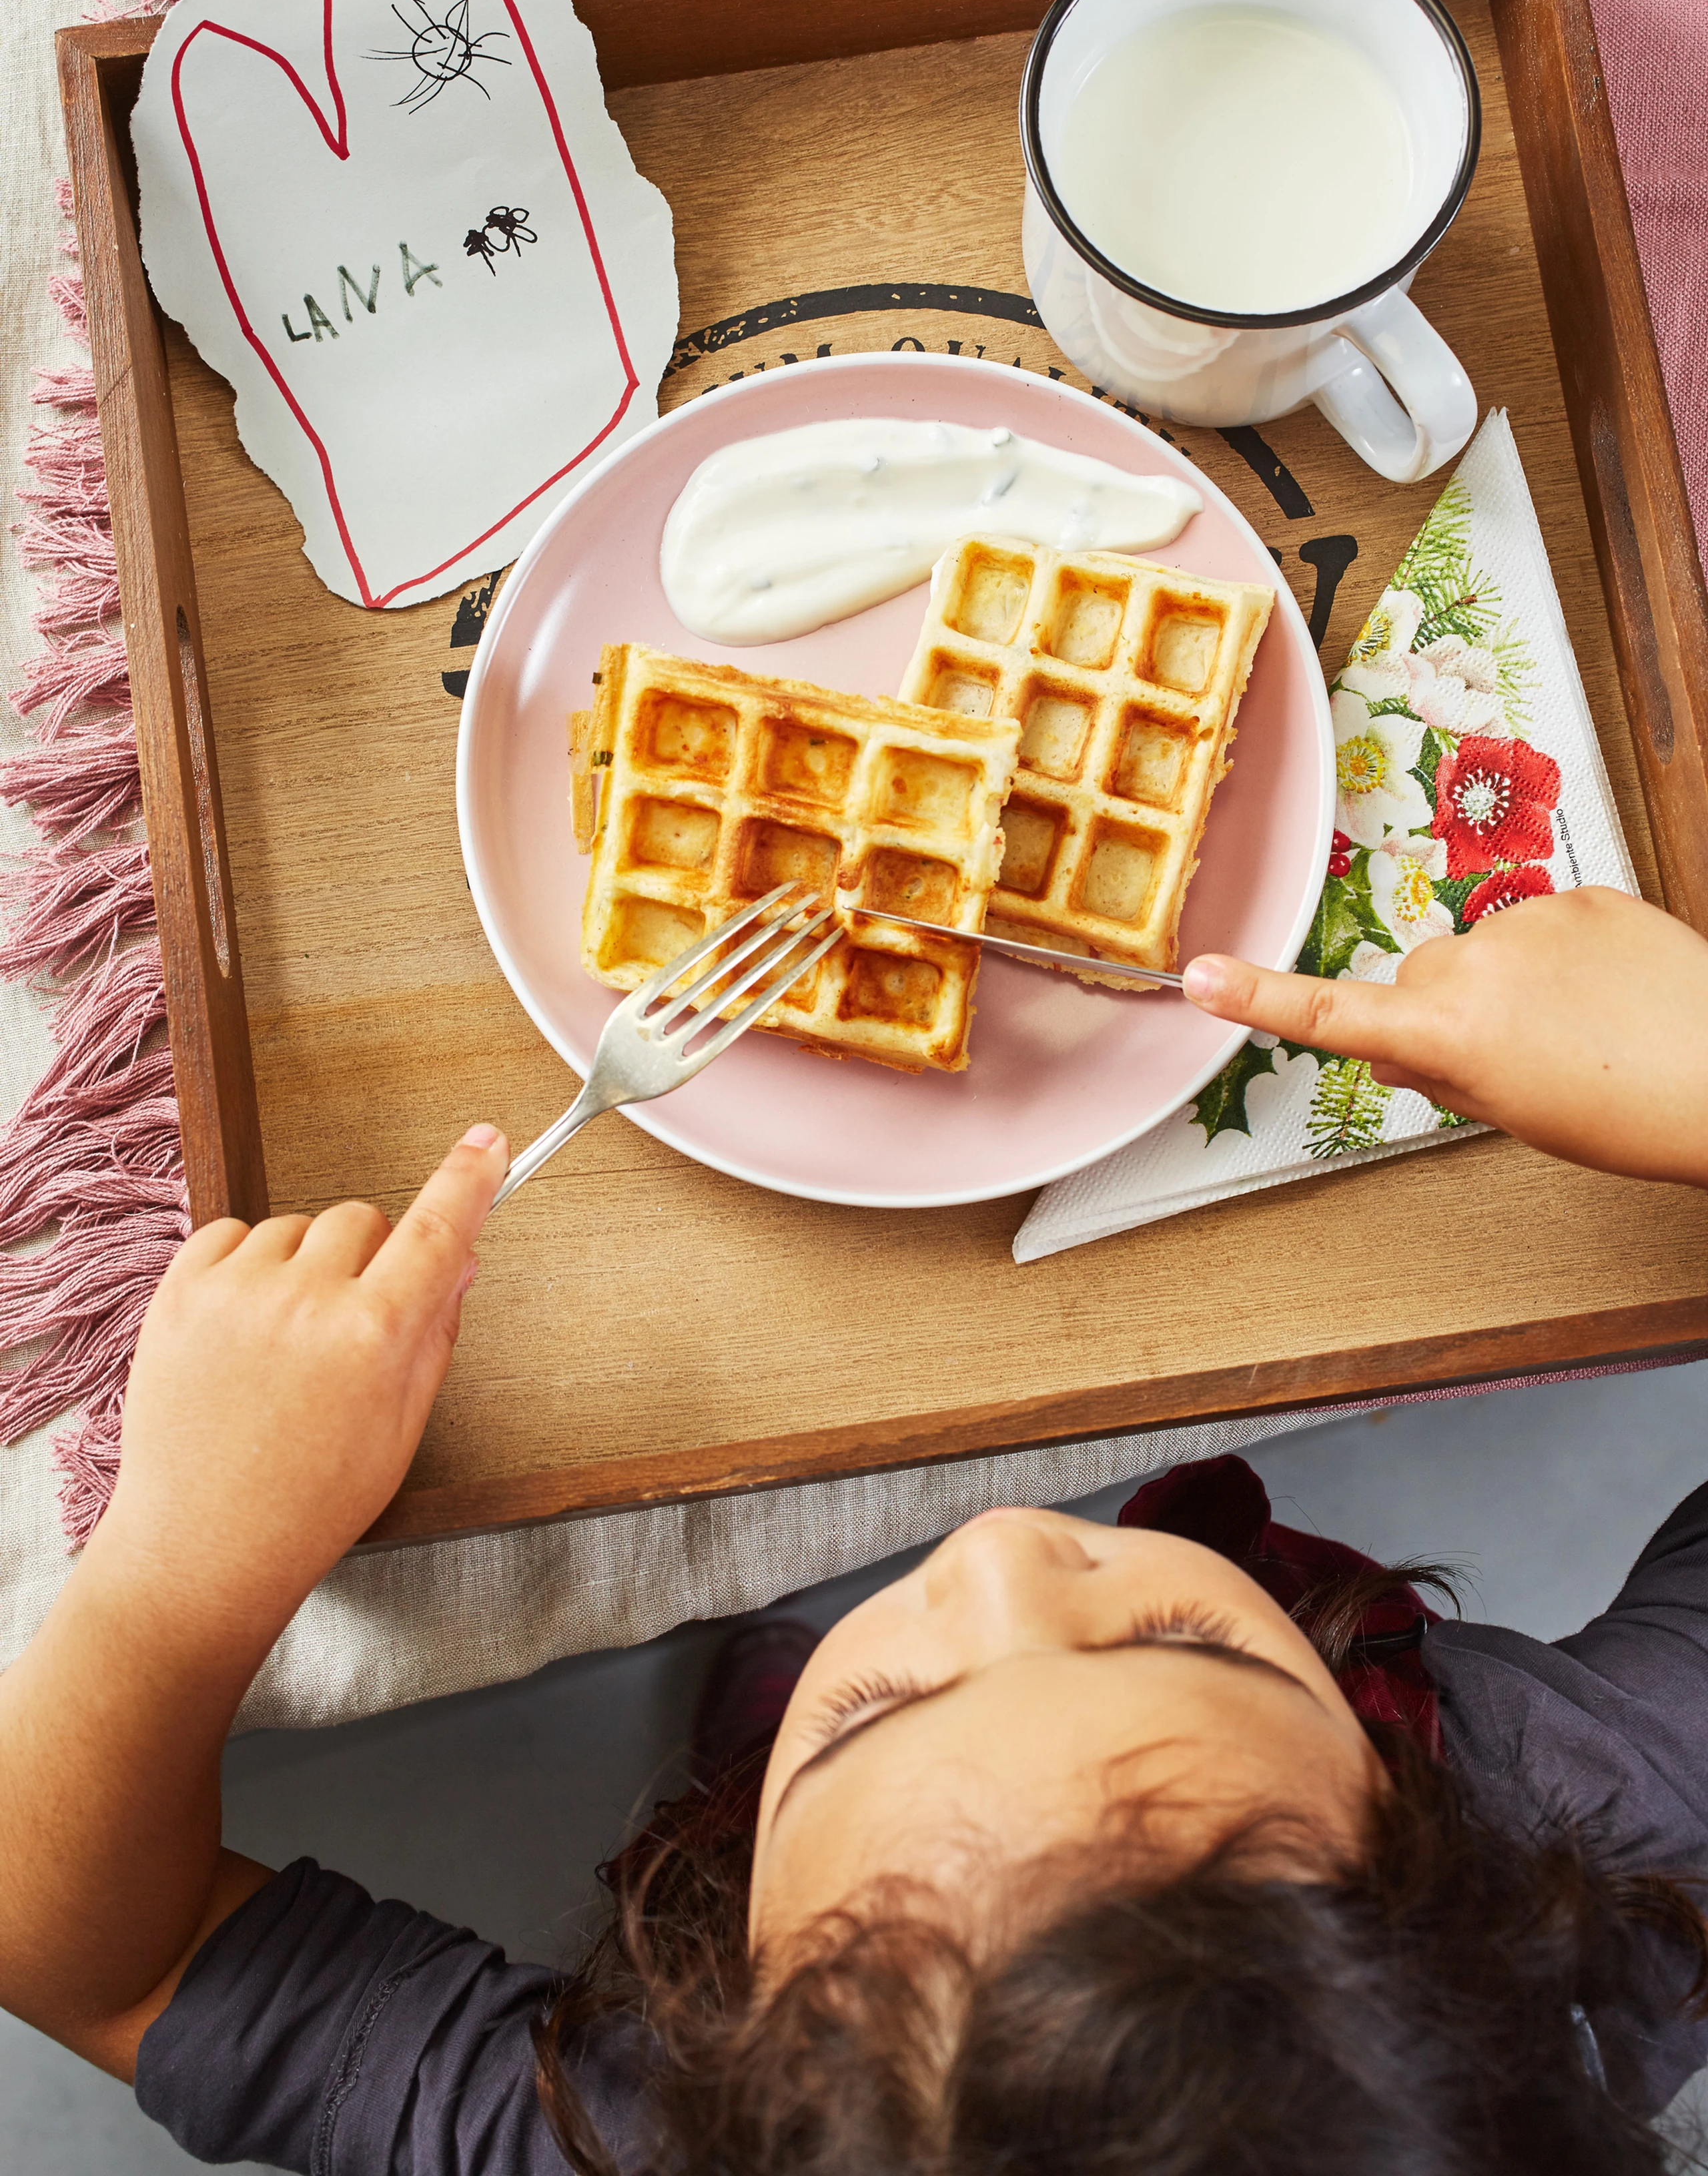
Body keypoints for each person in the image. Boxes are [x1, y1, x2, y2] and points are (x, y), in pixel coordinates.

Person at [3, 883, 1708, 2175]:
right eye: (1176, 1639)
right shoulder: (1612, 1830)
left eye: (881, 1706)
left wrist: (178, 1565)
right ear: (1454, 1881)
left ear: (718, 2038)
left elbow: (89, 1946)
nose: (988, 1554)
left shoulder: (632, 2134)